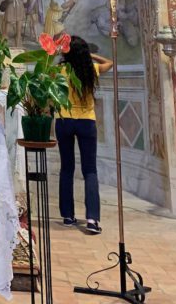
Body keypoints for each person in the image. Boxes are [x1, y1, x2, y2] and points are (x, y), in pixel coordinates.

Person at [56, 36, 113, 234]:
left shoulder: (60, 71)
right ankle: (92, 219)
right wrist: (90, 55)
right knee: (90, 170)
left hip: (64, 120)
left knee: (67, 168)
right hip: (86, 121)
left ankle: (68, 215)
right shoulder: (91, 69)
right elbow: (109, 63)